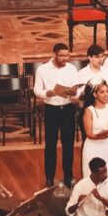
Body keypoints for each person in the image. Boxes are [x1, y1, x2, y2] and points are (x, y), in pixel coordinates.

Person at [34, 42, 79, 187]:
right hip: (51, 109)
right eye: (61, 56)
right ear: (54, 55)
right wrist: (45, 93)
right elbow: (36, 89)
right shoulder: (42, 69)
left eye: (67, 55)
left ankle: (68, 177)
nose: (65, 58)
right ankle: (49, 177)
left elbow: (76, 88)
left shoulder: (72, 69)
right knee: (51, 145)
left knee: (68, 145)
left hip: (67, 109)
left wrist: (74, 91)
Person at [81, 79, 108, 183]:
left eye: (107, 91)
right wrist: (104, 136)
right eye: (102, 92)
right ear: (94, 94)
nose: (106, 94)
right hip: (93, 147)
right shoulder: (89, 110)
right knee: (93, 178)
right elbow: (89, 134)